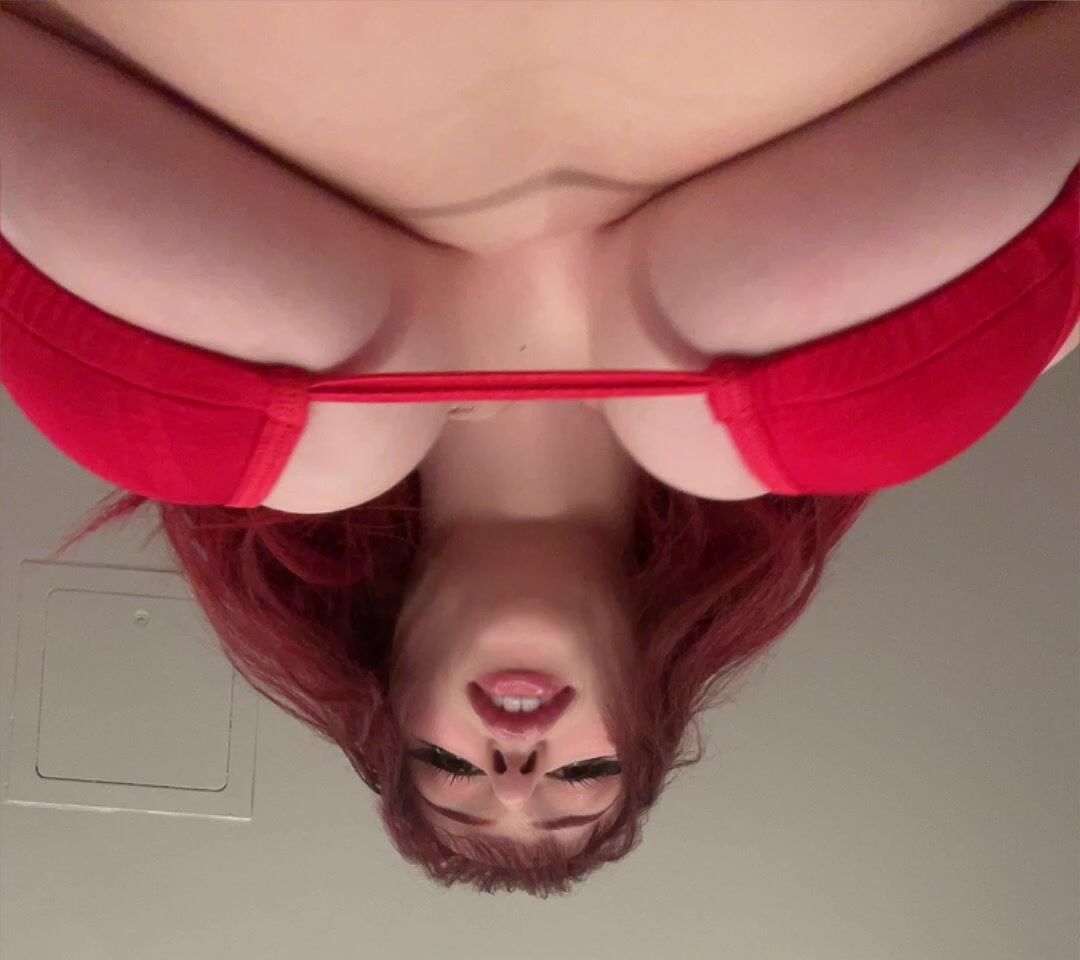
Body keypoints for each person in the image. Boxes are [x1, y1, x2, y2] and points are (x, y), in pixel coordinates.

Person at [2, 0, 1077, 893]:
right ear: (650, 706)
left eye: (450, 769)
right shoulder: (791, 424)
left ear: (387, 692)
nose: (515, 771)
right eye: (580, 782)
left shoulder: (264, 446)